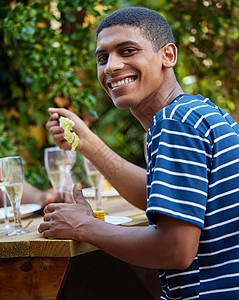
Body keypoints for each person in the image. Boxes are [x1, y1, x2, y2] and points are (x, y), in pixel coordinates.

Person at [38, 7, 239, 299]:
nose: (111, 67)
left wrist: (85, 226)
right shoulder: (199, 113)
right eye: (102, 58)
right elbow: (161, 199)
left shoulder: (174, 123)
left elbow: (175, 249)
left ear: (167, 56)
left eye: (128, 50)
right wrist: (87, 142)